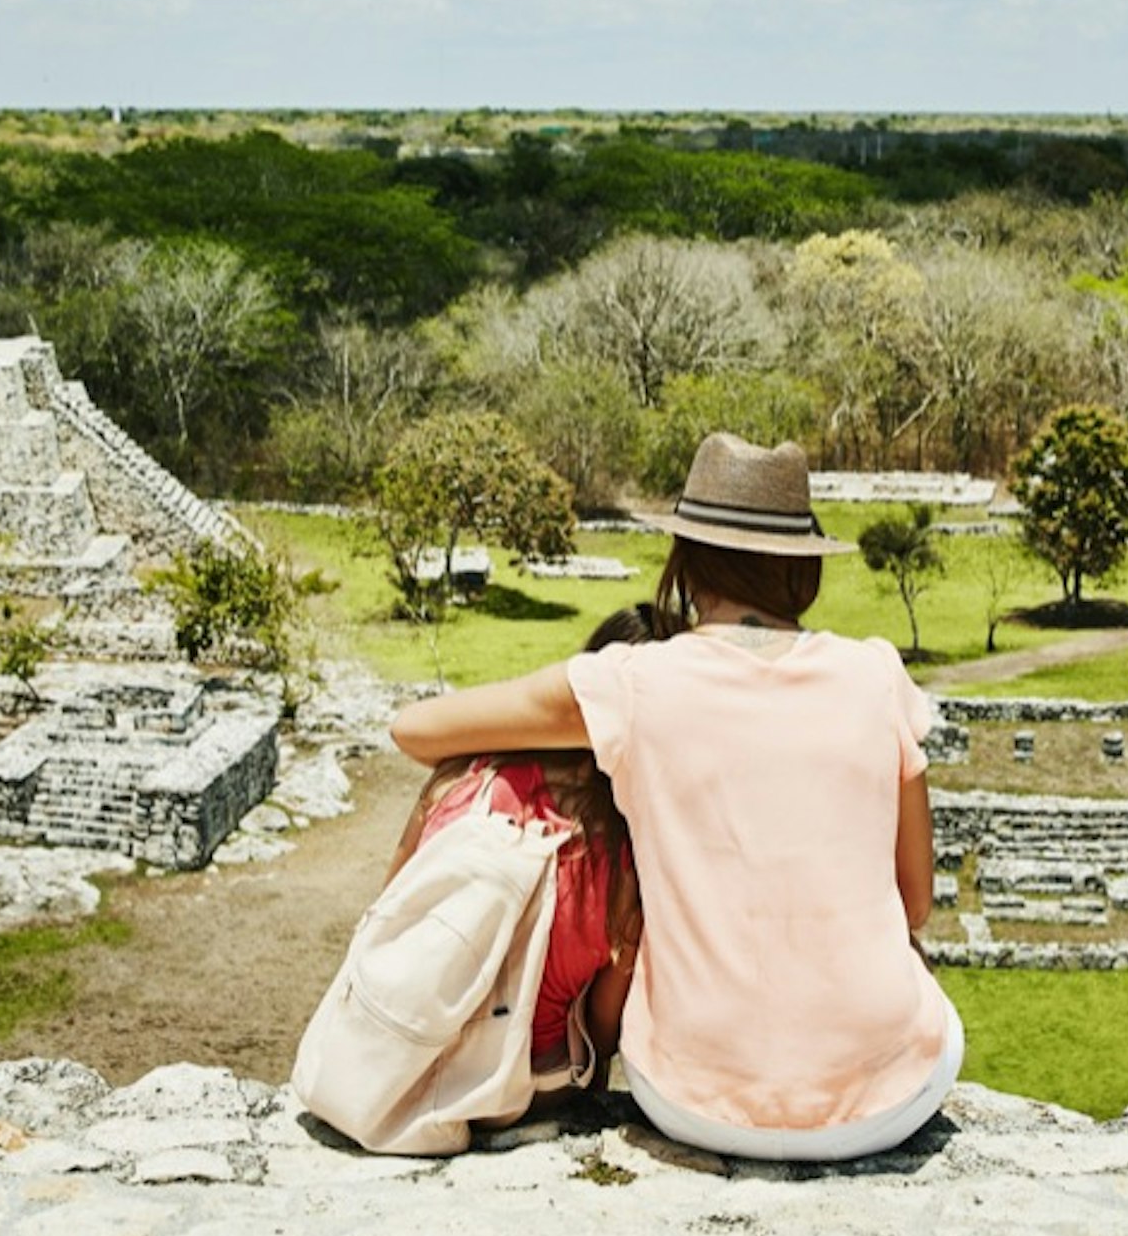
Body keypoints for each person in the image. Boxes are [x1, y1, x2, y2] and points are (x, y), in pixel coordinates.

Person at [385, 434, 959, 1163]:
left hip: (690, 1098)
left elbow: (416, 731)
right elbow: (914, 905)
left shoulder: (635, 684)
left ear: (686, 559)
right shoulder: (877, 675)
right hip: (890, 1102)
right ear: (801, 567)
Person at [380, 606, 654, 1082]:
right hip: (520, 1086)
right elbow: (604, 1035)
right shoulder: (630, 866)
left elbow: (389, 909)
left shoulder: (463, 779)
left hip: (401, 1058)